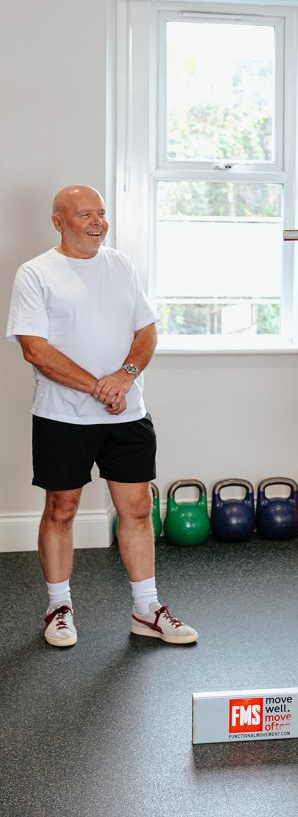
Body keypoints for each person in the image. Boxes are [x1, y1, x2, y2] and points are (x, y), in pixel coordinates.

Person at [6, 185, 198, 648]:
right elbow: (35, 349)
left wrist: (126, 376)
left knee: (136, 509)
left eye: (102, 214)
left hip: (127, 415)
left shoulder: (121, 265)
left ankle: (147, 609)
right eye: (85, 214)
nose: (97, 222)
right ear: (59, 221)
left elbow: (147, 331)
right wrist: (99, 386)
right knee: (61, 509)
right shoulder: (36, 273)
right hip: (62, 417)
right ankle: (58, 606)